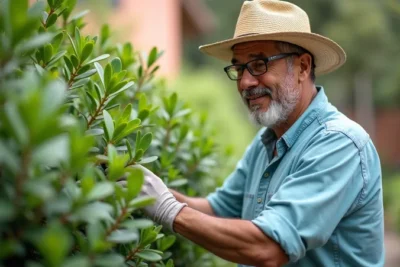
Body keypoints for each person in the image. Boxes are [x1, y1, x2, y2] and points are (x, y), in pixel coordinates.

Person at [134, 1, 385, 266]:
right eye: (239, 68)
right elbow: (217, 211)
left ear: (302, 67)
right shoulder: (267, 142)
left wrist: (168, 210)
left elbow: (269, 247)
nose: (245, 82)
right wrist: (145, 189)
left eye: (259, 64)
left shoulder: (339, 144)